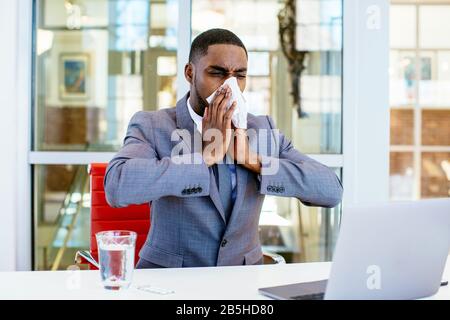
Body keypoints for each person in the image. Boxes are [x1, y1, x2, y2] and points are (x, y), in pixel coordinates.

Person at [104, 28, 343, 269]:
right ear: (190, 73)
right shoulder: (153, 125)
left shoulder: (261, 129)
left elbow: (331, 190)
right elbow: (117, 186)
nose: (230, 87)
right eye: (217, 73)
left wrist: (256, 162)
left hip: (243, 278)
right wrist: (204, 158)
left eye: (239, 75)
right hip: (171, 278)